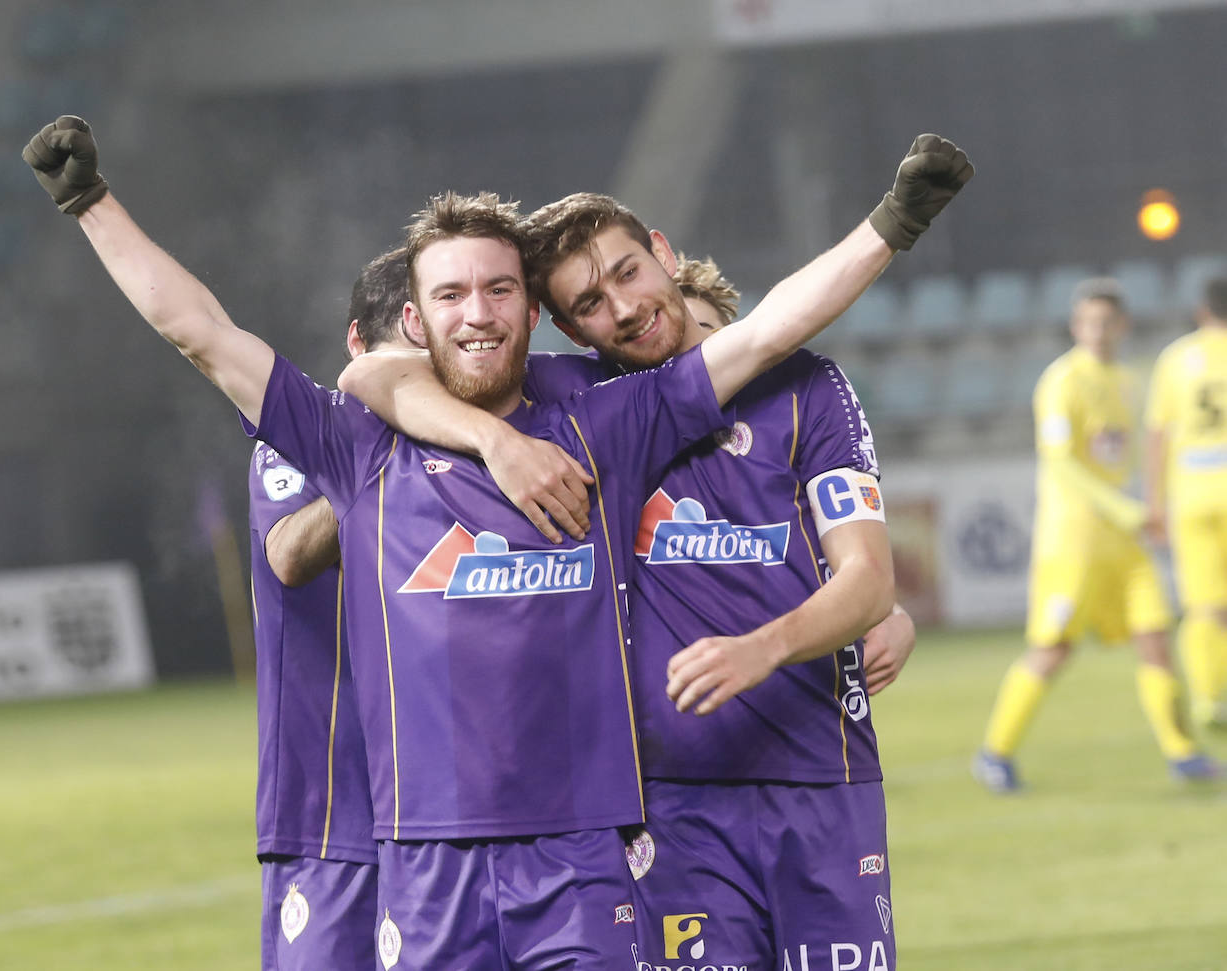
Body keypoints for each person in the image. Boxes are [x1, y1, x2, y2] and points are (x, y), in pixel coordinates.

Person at [25, 116, 964, 969]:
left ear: (529, 313)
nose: (478, 311)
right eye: (453, 294)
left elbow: (765, 336)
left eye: (500, 289)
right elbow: (201, 332)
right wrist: (90, 202)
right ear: (415, 322)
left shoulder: (605, 424)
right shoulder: (359, 445)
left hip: (589, 858)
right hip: (425, 861)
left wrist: (894, 220)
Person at [342, 138, 971, 968]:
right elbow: (376, 377)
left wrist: (897, 220)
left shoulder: (808, 388)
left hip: (822, 770)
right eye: (589, 303)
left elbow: (863, 568)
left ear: (664, 255)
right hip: (665, 801)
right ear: (562, 327)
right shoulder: (579, 402)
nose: (623, 308)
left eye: (628, 274)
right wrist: (495, 439)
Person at [974, 278, 1217, 793]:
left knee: (1155, 641)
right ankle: (994, 753)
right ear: (1075, 326)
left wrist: (1141, 510)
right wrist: (1124, 510)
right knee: (1054, 649)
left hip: (1124, 543)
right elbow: (1060, 460)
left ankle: (1183, 754)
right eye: (1089, 322)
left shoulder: (1130, 381)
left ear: (1122, 326)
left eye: (1107, 322)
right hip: (1075, 541)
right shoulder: (1062, 380)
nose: (1098, 331)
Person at [247, 247, 409, 970]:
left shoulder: (489, 443)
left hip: (463, 819)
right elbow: (287, 553)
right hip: (331, 813)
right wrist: (387, 443)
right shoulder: (302, 435)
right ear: (357, 346)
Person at [672, 255, 919, 694]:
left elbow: (830, 558)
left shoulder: (791, 414)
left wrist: (892, 614)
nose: (696, 354)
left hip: (801, 702)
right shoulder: (630, 433)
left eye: (707, 334)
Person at [1144, 276, 1227, 729]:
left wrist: (1156, 503)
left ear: (1202, 311)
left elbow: (1157, 436)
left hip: (1192, 495)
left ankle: (1208, 699)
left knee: (1203, 606)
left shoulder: (1176, 358)